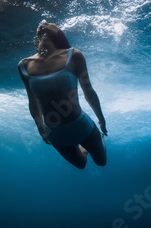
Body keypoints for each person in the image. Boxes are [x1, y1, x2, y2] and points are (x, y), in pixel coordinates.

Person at [18, 22, 107, 169]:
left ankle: (98, 138)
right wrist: (40, 128)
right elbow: (32, 101)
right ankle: (84, 150)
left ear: (59, 33)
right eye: (42, 25)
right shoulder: (23, 65)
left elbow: (88, 91)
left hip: (80, 125)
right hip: (54, 133)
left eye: (51, 23)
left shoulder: (74, 55)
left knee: (101, 162)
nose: (45, 24)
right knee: (81, 164)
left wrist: (101, 119)